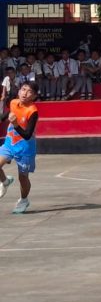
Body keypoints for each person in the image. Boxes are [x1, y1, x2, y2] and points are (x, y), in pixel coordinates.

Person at [0, 82, 39, 214]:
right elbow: (4, 117)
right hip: (10, 143)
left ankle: (24, 200)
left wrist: (16, 124)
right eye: (23, 89)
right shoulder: (13, 103)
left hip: (25, 148)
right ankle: (5, 182)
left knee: (23, 177)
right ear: (19, 91)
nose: (25, 93)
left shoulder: (32, 111)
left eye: (29, 92)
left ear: (34, 96)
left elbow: (27, 135)